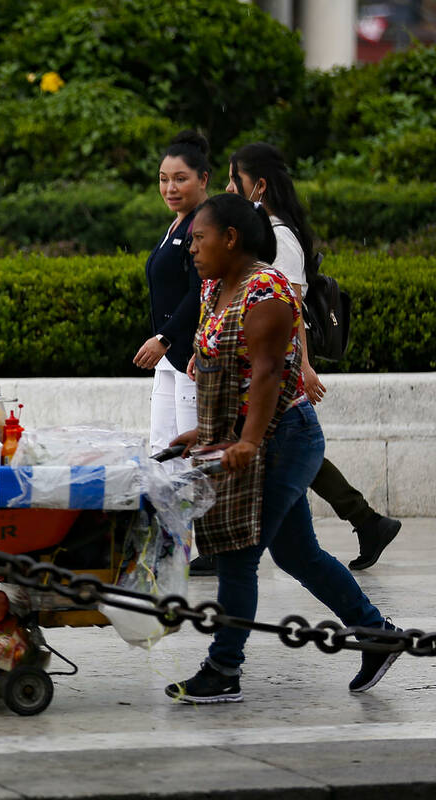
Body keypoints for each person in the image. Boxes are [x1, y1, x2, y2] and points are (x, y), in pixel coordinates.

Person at [165, 194, 399, 704]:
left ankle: (224, 668)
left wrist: (248, 440)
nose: (192, 249)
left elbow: (269, 371)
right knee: (298, 553)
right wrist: (203, 435)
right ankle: (376, 633)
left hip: (285, 439)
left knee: (237, 553)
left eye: (200, 239)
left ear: (230, 239)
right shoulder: (215, 288)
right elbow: (226, 372)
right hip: (248, 438)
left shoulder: (265, 290)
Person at [220, 142, 401, 572]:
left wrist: (301, 366)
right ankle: (365, 520)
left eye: (234, 179)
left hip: (277, 365)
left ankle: (358, 522)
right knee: (288, 448)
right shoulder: (264, 229)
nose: (228, 187)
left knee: (286, 445)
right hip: (268, 363)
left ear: (258, 186)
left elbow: (290, 307)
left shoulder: (278, 237)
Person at [133, 130, 209, 462]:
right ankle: (167, 516)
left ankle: (196, 516)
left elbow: (199, 291)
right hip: (169, 358)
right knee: (161, 450)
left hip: (191, 357)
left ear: (203, 179)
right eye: (164, 180)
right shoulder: (177, 225)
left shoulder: (204, 224)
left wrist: (164, 336)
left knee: (189, 455)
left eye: (181, 179)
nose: (170, 188)